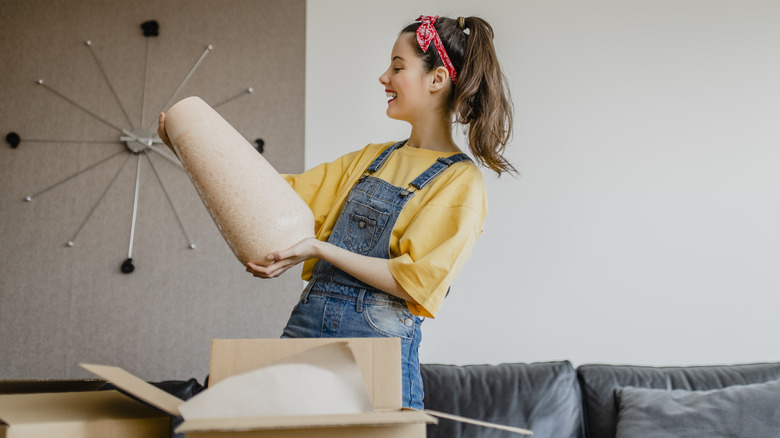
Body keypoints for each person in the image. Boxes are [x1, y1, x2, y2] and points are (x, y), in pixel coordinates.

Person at [159, 15, 514, 410]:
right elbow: (273, 194)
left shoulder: (460, 182)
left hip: (378, 345)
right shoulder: (371, 159)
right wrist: (191, 146)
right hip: (308, 328)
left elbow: (413, 281)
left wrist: (320, 249)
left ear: (437, 79)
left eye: (397, 67)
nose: (384, 77)